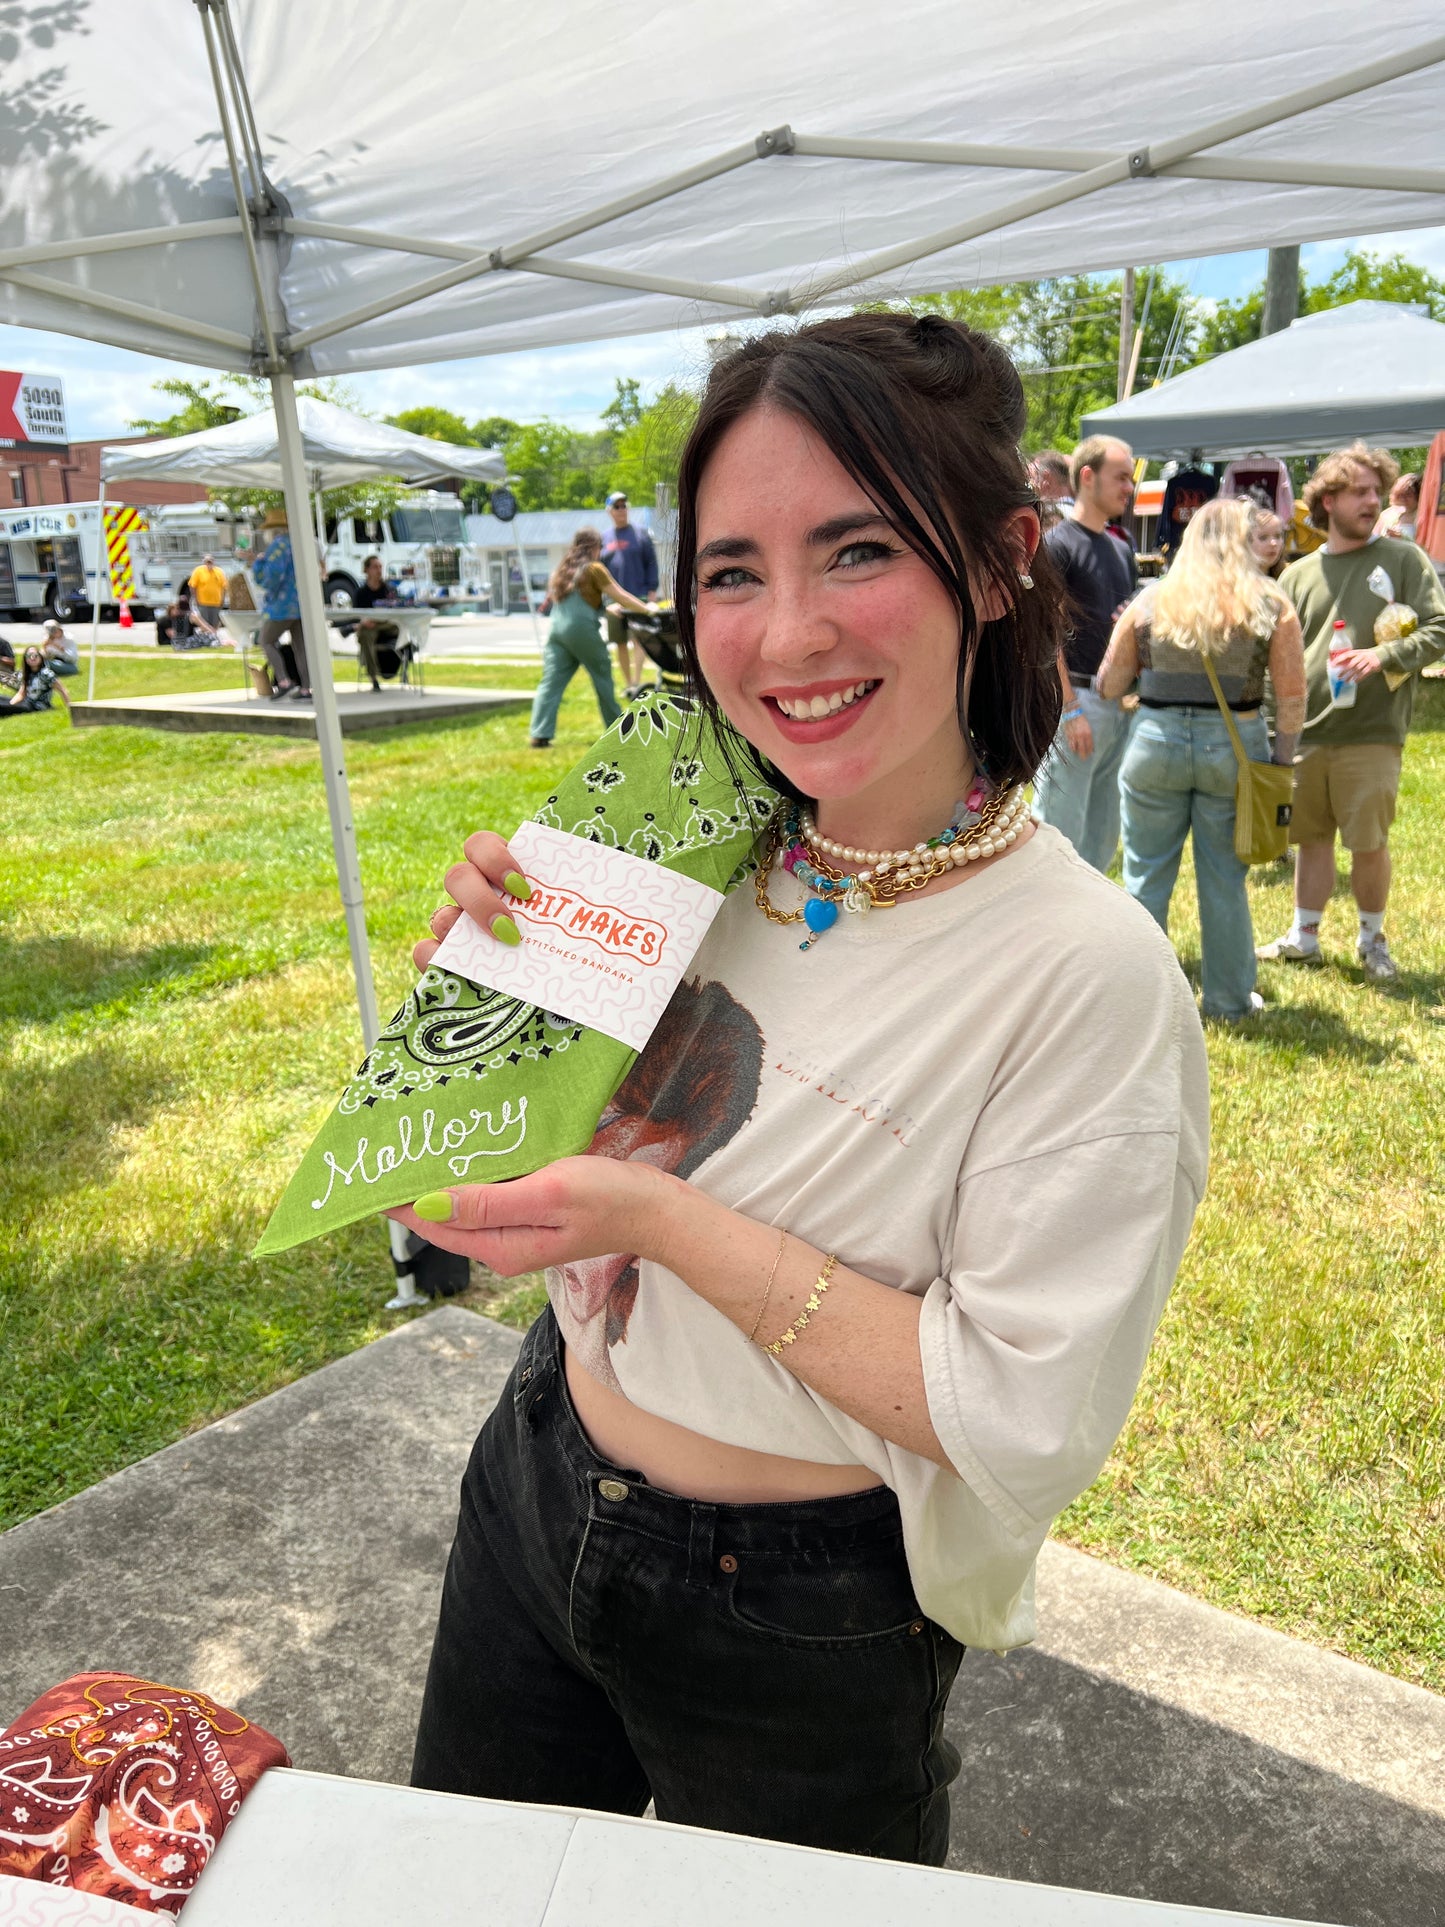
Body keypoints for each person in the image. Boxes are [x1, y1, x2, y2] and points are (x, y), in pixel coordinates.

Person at [395, 313, 1208, 1864]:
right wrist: (489, 997)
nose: (784, 636)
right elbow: (508, 1147)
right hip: (536, 1473)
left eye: (854, 552)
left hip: (800, 1611)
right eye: (729, 571)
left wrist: (660, 1217)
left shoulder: (1082, 973)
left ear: (995, 562)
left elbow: (1019, 1416)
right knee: (461, 1890)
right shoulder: (674, 844)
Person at [1096, 499, 1306, 1022]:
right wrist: (1280, 763)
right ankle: (1229, 1002)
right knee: (1224, 880)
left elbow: (1108, 683)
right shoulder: (1271, 603)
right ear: (1242, 541)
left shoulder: (1150, 601)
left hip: (1154, 742)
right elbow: (1292, 694)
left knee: (1144, 878)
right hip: (1235, 745)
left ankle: (1140, 1002)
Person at [1257, 443, 1445, 983]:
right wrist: (1274, 734)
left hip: (1371, 733)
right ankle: (1304, 936)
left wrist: (1382, 655)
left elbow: (1437, 628)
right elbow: (1277, 661)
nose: (1373, 501)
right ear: (1329, 500)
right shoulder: (1296, 576)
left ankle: (1372, 940)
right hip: (1305, 736)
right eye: (1360, 492)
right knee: (1310, 839)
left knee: (1368, 841)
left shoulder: (1403, 559)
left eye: (1376, 492)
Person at [1030, 435, 1139, 872]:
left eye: (1130, 479)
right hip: (1076, 703)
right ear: (1088, 477)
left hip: (1119, 707)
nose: (1129, 487)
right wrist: (1070, 711)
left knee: (1101, 836)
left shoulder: (1121, 548)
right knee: (1057, 833)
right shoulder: (1057, 545)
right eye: (1122, 477)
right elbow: (1045, 632)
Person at [528, 529, 655, 748]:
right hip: (580, 631)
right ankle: (618, 731)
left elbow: (577, 605)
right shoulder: (594, 568)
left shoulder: (563, 570)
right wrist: (647, 609)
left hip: (557, 632)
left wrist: (606, 609)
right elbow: (620, 594)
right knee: (602, 674)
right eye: (600, 547)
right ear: (594, 547)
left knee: (551, 682)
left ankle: (539, 733)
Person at [601, 491, 660, 696]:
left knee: (639, 640)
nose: (621, 510)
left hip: (639, 598)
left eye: (624, 505)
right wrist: (607, 601)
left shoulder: (641, 534)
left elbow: (651, 563)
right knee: (620, 642)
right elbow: (601, 573)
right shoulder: (604, 538)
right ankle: (628, 684)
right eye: (617, 506)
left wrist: (652, 591)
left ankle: (637, 681)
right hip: (614, 603)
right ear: (609, 511)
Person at [251, 506, 310, 699]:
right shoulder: (298, 544)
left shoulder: (278, 546)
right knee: (300, 647)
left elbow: (271, 577)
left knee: (266, 640)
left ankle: (283, 680)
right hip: (301, 603)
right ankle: (306, 688)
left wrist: (258, 563)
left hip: (281, 606)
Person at [352, 555, 405, 691]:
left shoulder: (389, 590)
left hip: (389, 626)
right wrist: (363, 622)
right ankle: (373, 678)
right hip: (370, 628)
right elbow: (357, 614)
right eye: (375, 567)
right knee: (364, 634)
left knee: (365, 629)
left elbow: (396, 611)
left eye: (380, 567)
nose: (379, 570)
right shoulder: (361, 593)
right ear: (366, 570)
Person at [0, 642, 72, 719]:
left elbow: (62, 690)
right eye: (28, 656)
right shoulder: (26, 674)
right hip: (25, 702)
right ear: (25, 659)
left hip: (36, 706)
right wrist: (11, 704)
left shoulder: (46, 674)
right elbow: (21, 693)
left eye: (35, 655)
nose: (32, 658)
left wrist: (70, 708)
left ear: (40, 658)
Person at [1028, 449, 1073, 529]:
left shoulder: (1049, 518)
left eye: (1032, 477)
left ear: (1046, 478)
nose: (1030, 484)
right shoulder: (1085, 515)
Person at [188, 553, 228, 636]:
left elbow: (224, 587)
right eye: (207, 562)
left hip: (216, 603)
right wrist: (196, 598)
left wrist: (223, 600)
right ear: (204, 562)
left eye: (210, 561)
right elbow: (192, 586)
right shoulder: (198, 571)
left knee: (215, 623)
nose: (209, 563)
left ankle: (213, 639)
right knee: (204, 624)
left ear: (213, 562)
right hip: (203, 602)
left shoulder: (219, 572)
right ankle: (205, 639)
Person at [1375, 472, 1420, 543]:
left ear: (1418, 495)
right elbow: (1375, 537)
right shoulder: (1387, 515)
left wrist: (1403, 538)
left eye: (1408, 495)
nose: (1403, 499)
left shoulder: (1424, 516)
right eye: (1400, 495)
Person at [1247, 508, 1287, 580]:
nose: (1273, 543)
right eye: (1263, 538)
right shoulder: (1233, 583)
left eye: (1277, 536)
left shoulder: (1288, 575)